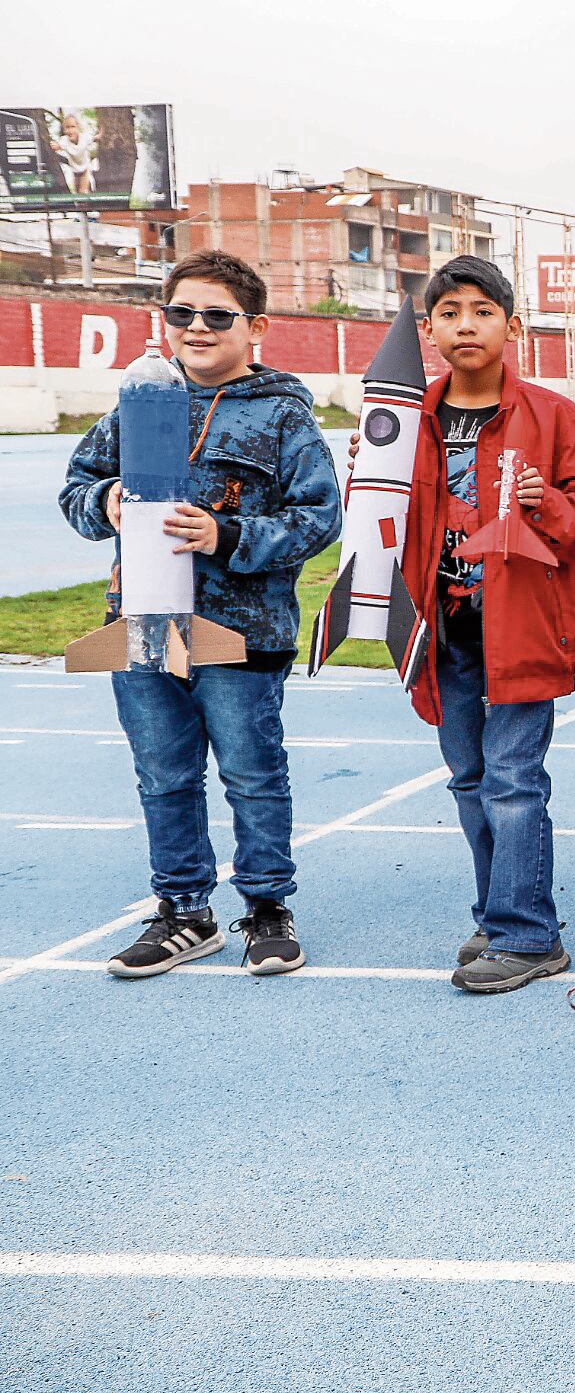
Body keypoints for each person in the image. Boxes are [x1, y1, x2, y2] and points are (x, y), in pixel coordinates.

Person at [61, 251, 342, 978]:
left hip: (241, 632)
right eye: (180, 313)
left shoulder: (283, 416)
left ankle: (266, 908)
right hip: (143, 624)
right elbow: (78, 489)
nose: (196, 327)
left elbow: (319, 518)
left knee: (251, 773)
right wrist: (106, 502)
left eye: (217, 315)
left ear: (256, 328)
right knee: (162, 775)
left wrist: (229, 535)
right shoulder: (138, 404)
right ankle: (184, 910)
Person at [395, 257, 575, 993]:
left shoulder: (555, 418)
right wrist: (374, 475)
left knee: (514, 781)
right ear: (428, 330)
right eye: (449, 311)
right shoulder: (407, 419)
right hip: (446, 635)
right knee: (468, 780)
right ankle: (497, 914)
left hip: (521, 629)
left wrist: (544, 500)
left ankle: (529, 934)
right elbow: (387, 525)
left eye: (482, 310)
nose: (466, 323)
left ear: (512, 325)